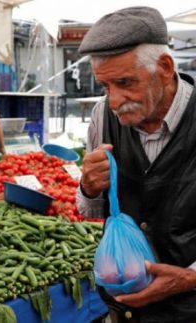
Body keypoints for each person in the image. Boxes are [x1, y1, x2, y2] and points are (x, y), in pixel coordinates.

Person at [76, 6, 196, 323]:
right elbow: (91, 211)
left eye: (126, 82)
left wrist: (188, 278)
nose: (114, 101)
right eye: (105, 86)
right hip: (122, 310)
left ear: (166, 67)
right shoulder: (102, 117)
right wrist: (88, 186)